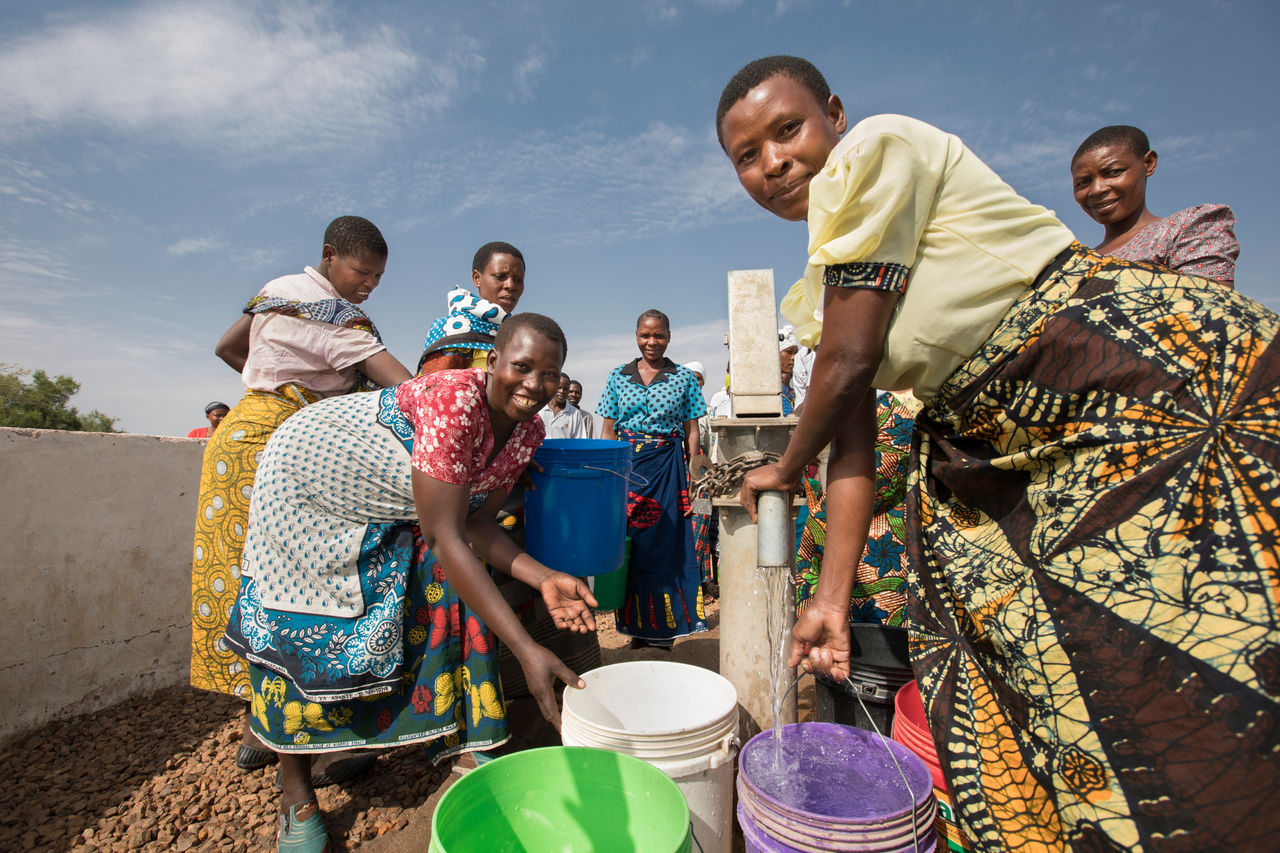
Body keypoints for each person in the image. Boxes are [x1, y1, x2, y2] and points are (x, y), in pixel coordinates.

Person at [718, 55, 1280, 851]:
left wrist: (780, 464)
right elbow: (853, 457)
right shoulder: (818, 289)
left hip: (1127, 394)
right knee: (1054, 699)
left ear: (835, 114)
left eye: (787, 130)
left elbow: (847, 366)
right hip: (1009, 452)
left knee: (1193, 655)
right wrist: (833, 599)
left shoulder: (879, 150)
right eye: (747, 155)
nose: (773, 162)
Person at [223, 314, 596, 852]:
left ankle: (426, 736)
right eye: (522, 367)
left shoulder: (529, 430)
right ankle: (295, 791)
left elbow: (474, 524)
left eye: (549, 374)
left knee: (419, 599)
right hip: (303, 482)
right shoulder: (456, 403)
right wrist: (526, 646)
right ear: (492, 362)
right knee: (302, 629)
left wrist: (545, 578)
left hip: (378, 501)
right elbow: (447, 536)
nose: (534, 385)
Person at [190, 216, 412, 779]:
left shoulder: (275, 292)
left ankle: (256, 728)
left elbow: (226, 347)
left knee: (238, 582)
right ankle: (319, 738)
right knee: (299, 591)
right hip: (284, 453)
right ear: (330, 255)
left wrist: (269, 380)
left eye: (379, 278)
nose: (369, 286)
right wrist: (305, 398)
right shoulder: (338, 317)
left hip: (236, 439)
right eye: (363, 272)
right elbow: (406, 391)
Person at [599, 310, 708, 648]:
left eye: (658, 335)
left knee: (667, 545)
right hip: (628, 469)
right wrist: (608, 476)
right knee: (633, 546)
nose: (651, 342)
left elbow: (692, 431)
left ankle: (665, 629)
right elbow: (607, 430)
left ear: (669, 337)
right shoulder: (618, 376)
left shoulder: (684, 378)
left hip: (668, 466)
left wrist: (694, 476)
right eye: (645, 335)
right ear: (636, 336)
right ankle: (635, 628)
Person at [1070, 125, 1239, 286]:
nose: (1096, 190)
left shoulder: (1186, 230)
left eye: (1113, 172)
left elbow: (1207, 307)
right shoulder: (1075, 264)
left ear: (1149, 163)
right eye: (1083, 182)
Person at [418, 242, 525, 374]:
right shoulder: (453, 330)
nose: (511, 285)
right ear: (477, 278)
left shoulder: (520, 336)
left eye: (518, 279)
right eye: (500, 277)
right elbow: (435, 391)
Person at [539, 373, 592, 439]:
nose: (562, 391)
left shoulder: (575, 414)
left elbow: (579, 441)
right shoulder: (539, 409)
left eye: (565, 389)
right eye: (559, 387)